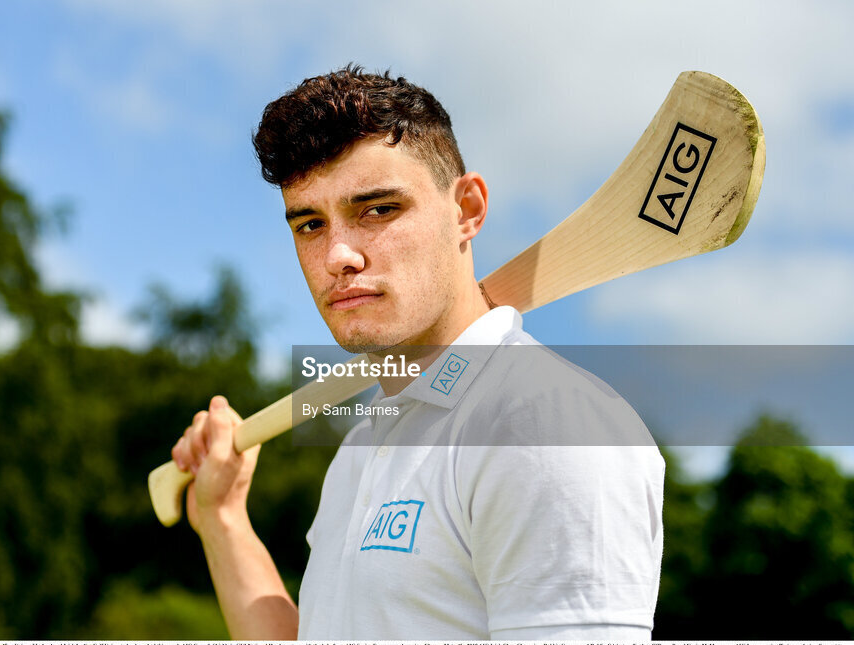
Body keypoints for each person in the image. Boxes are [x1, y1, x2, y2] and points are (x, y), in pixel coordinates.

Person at [171, 65, 664, 640]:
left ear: (467, 210)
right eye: (309, 224)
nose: (337, 256)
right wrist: (222, 519)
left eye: (377, 209)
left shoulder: (545, 425)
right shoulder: (361, 448)